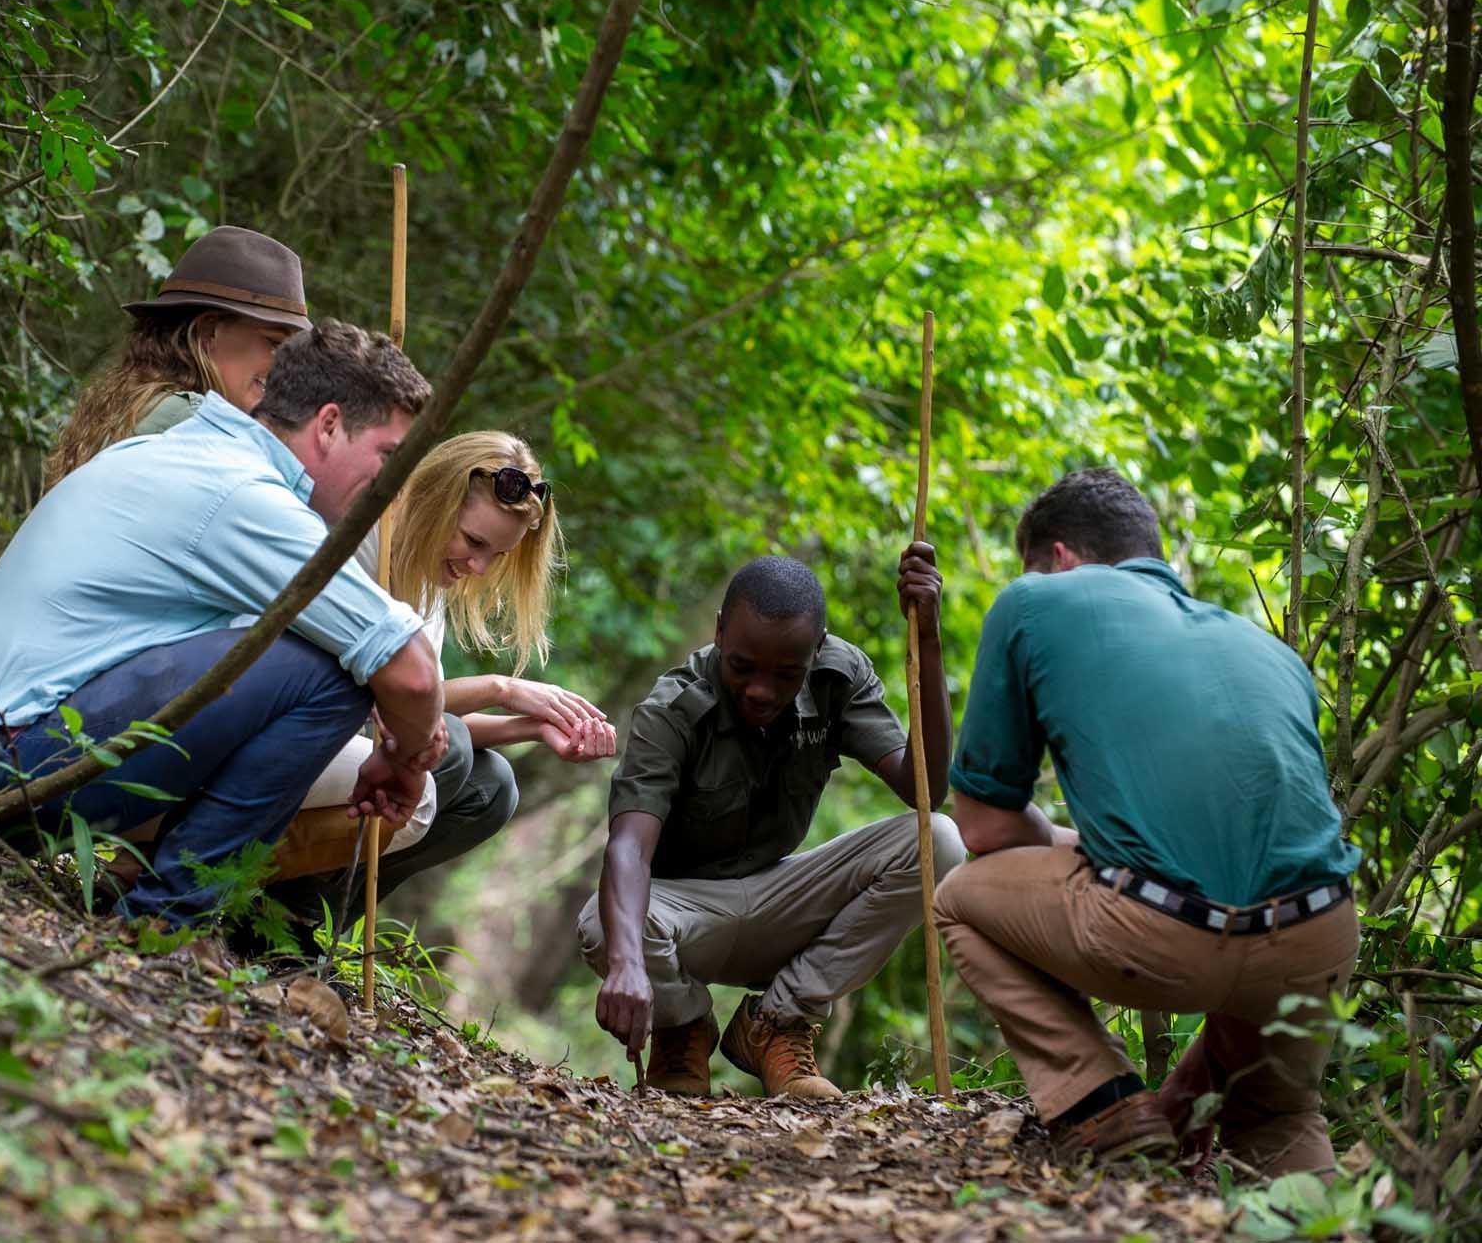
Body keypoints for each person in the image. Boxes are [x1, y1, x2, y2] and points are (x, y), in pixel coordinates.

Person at [0, 320, 445, 927]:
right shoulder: (243, 495)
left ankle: (161, 904)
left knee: (322, 646)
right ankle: (167, 919)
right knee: (337, 670)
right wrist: (409, 757)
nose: (389, 490)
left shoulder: (194, 452)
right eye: (388, 458)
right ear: (330, 424)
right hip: (18, 771)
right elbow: (411, 670)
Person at [935, 468, 1361, 1172]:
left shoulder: (1038, 601)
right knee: (1279, 1116)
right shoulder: (1269, 652)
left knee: (958, 898)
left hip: (1163, 935)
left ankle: (1102, 1110)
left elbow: (981, 830)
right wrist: (1192, 1090)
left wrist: (1056, 840)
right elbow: (1242, 908)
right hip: (1319, 937)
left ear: (1061, 558)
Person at [581, 550, 963, 1099]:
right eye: (742, 667)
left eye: (787, 674)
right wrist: (625, 966)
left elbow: (923, 786)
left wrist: (928, 641)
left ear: (817, 647)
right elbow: (628, 848)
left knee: (939, 839)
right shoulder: (673, 707)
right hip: (686, 916)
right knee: (604, 923)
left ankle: (774, 1023)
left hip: (780, 900)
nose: (761, 690)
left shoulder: (838, 676)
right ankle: (682, 1030)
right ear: (718, 632)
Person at [269, 431, 617, 924]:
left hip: (357, 744)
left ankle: (309, 924)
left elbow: (420, 717)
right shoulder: (361, 540)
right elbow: (398, 704)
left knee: (493, 789)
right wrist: (505, 689)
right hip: (291, 732)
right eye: (474, 541)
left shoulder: (430, 587)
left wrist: (535, 728)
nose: (478, 567)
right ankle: (275, 904)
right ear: (434, 496)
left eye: (496, 555)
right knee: (446, 748)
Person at [42, 225, 310, 490]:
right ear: (208, 332)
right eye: (274, 342)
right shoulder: (189, 423)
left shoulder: (141, 405)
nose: (284, 364)